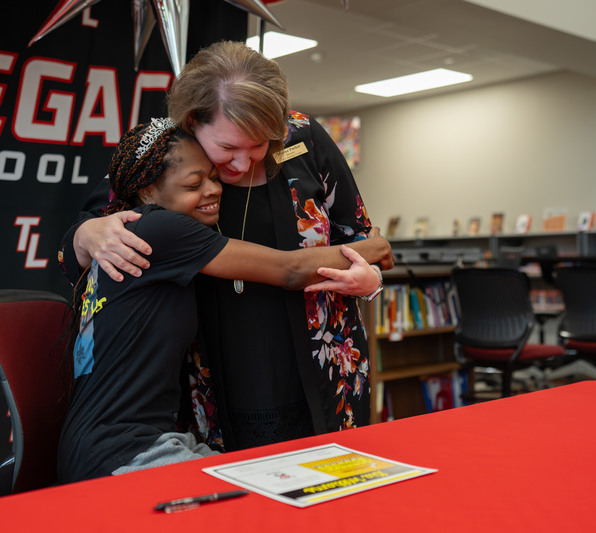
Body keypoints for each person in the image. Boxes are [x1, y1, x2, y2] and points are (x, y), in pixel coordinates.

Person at [59, 41, 393, 453]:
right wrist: (86, 234)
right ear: (194, 122)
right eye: (228, 149)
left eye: (259, 145)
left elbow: (361, 238)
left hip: (321, 360)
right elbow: (86, 238)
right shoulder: (169, 156)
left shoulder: (305, 138)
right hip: (216, 370)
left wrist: (371, 277)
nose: (244, 163)